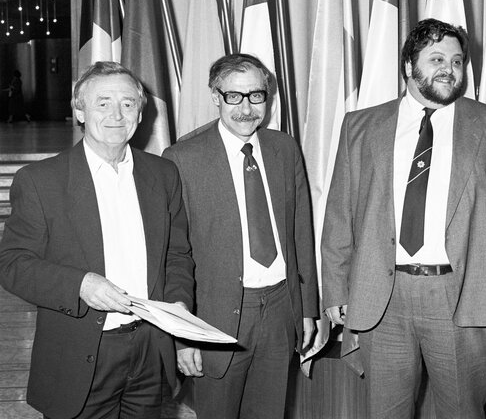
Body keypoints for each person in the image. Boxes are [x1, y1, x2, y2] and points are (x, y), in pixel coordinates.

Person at [321, 18, 486, 418]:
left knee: (463, 411)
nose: (449, 68)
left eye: (457, 60)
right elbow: (339, 215)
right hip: (383, 295)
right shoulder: (360, 126)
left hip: (462, 293)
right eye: (436, 58)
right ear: (408, 66)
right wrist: (336, 289)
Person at [0, 61, 195, 419]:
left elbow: (177, 255)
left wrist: (179, 308)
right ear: (79, 111)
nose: (116, 114)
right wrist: (80, 284)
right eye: (103, 102)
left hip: (151, 350)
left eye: (128, 103)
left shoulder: (163, 174)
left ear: (141, 112)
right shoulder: (41, 181)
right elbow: (12, 264)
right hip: (80, 353)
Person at [162, 53, 318, 419]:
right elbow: (174, 254)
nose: (246, 108)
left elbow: (301, 235)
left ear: (268, 96)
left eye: (256, 95)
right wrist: (183, 336)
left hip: (281, 309)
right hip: (217, 318)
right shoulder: (182, 158)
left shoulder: (284, 149)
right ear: (215, 96)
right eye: (234, 96)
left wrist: (307, 309)